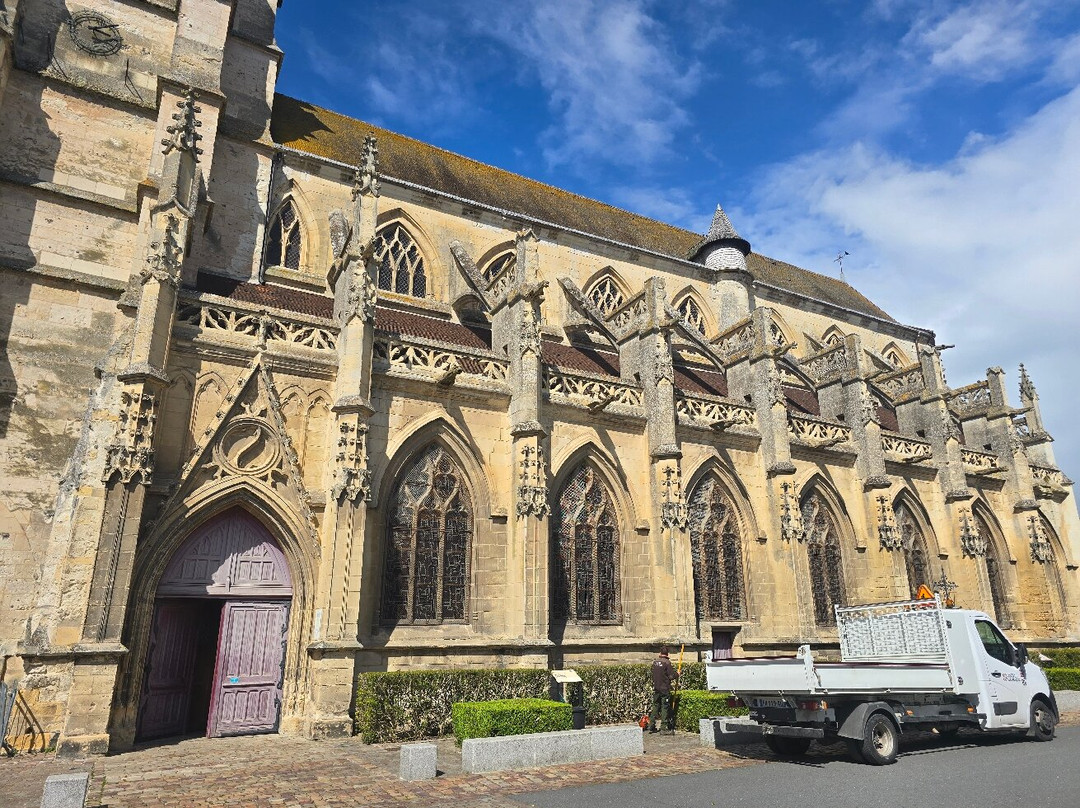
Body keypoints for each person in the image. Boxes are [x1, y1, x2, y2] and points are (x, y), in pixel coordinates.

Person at [649, 645, 676, 733]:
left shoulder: (655, 662)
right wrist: (678, 674)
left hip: (656, 688)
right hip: (664, 689)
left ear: (660, 653)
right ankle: (663, 727)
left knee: (655, 706)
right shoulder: (667, 662)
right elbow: (671, 676)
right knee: (665, 707)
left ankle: (651, 725)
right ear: (667, 653)